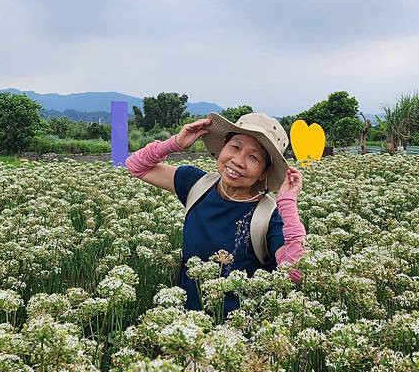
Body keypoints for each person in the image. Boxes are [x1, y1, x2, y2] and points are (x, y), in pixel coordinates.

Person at [125, 112, 306, 315]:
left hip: (239, 336)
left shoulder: (269, 216)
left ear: (264, 172)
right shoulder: (197, 184)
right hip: (183, 327)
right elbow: (136, 166)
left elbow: (295, 273)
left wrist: (288, 202)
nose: (238, 160)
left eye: (253, 157)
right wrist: (176, 142)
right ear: (222, 147)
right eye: (235, 147)